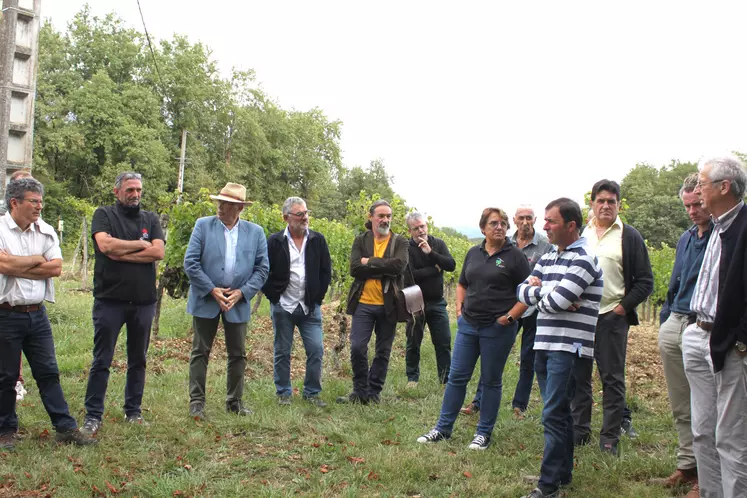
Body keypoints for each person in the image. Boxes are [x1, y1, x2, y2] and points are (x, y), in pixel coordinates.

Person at [417, 207, 530, 450]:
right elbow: (462, 283)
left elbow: (528, 293)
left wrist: (510, 318)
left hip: (497, 329)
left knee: (490, 380)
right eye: (493, 223)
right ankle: (442, 428)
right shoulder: (473, 253)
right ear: (483, 229)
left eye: (502, 223)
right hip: (469, 325)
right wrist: (459, 310)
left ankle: (483, 433)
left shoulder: (515, 257)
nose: (499, 227)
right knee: (457, 377)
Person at [0, 178, 97, 449]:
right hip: (6, 314)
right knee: (6, 376)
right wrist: (34, 260)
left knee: (48, 371)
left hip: (37, 314)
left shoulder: (45, 230)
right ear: (15, 203)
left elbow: (55, 268)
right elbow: (1, 264)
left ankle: (65, 428)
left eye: (41, 201)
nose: (39, 206)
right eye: (34, 201)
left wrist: (13, 264)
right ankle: (5, 430)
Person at [518, 198, 603, 498]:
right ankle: (561, 473)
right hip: (545, 342)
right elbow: (522, 291)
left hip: (569, 348)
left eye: (550, 222)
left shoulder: (584, 260)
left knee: (553, 414)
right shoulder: (549, 257)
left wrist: (543, 293)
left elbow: (553, 302)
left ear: (570, 225)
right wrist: (549, 293)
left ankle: (548, 484)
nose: (544, 226)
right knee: (560, 413)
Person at [571, 179, 653, 455]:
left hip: (610, 318)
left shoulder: (629, 237)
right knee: (579, 377)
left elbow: (645, 282)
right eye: (601, 201)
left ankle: (609, 440)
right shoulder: (582, 234)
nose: (606, 205)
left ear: (618, 205)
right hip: (581, 318)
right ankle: (579, 431)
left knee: (612, 380)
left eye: (611, 201)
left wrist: (620, 309)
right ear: (592, 204)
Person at [80, 172, 165, 437]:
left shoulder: (150, 218)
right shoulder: (103, 214)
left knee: (138, 359)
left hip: (143, 302)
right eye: (130, 190)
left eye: (139, 189)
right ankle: (93, 415)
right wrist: (140, 246)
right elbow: (105, 246)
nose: (135, 194)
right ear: (117, 191)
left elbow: (158, 252)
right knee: (102, 359)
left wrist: (122, 252)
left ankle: (133, 411)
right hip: (109, 301)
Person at [683, 155, 747, 498]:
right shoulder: (718, 226)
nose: (698, 190)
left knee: (732, 437)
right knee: (703, 431)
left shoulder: (743, 227)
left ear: (724, 187)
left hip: (727, 343)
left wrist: (740, 340)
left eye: (703, 183)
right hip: (698, 333)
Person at [647, 173, 709, 496]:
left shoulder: (722, 236)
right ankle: (687, 466)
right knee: (680, 402)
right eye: (687, 205)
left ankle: (706, 477)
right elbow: (675, 281)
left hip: (703, 325)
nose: (692, 211)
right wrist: (666, 317)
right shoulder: (686, 238)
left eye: (697, 203)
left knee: (705, 404)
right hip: (676, 321)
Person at [184, 183, 269, 419]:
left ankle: (235, 402)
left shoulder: (256, 232)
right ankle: (197, 402)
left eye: (226, 204)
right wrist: (212, 289)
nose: (220, 207)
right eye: (219, 202)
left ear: (239, 207)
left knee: (238, 353)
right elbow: (190, 262)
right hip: (206, 298)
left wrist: (242, 292)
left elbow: (262, 269)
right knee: (200, 351)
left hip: (237, 301)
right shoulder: (203, 226)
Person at [461, 205, 553, 418]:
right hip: (505, 308)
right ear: (515, 219)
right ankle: (478, 401)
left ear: (535, 219)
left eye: (529, 218)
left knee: (527, 358)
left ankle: (519, 405)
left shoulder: (545, 247)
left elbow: (546, 278)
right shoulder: (506, 243)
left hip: (531, 310)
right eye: (521, 218)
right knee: (490, 356)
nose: (525, 222)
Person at [337, 200, 408, 405]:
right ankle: (359, 391)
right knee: (358, 347)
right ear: (371, 218)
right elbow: (354, 269)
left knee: (383, 350)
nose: (385, 220)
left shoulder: (400, 242)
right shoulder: (361, 240)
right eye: (381, 216)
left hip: (389, 304)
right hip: (363, 303)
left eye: (388, 216)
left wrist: (370, 262)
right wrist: (383, 266)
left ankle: (373, 392)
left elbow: (399, 266)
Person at [263, 197, 331, 407]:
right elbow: (264, 271)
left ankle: (311, 393)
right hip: (283, 305)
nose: (305, 217)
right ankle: (283, 392)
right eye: (299, 214)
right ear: (286, 217)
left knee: (316, 350)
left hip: (309, 307)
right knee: (282, 351)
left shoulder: (318, 240)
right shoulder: (274, 241)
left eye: (306, 213)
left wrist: (317, 298)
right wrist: (274, 297)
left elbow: (325, 272)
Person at [403, 211, 456, 386]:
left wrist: (431, 253)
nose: (420, 230)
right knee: (413, 341)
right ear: (410, 231)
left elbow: (451, 265)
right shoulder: (406, 249)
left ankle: (445, 379)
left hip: (437, 302)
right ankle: (412, 378)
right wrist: (434, 269)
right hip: (415, 302)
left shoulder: (437, 244)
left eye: (422, 226)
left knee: (443, 341)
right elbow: (410, 276)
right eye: (416, 228)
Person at [6, 170, 33, 403]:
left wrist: (14, 264)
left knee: (17, 338)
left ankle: (17, 381)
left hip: (26, 296)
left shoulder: (37, 224)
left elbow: (52, 264)